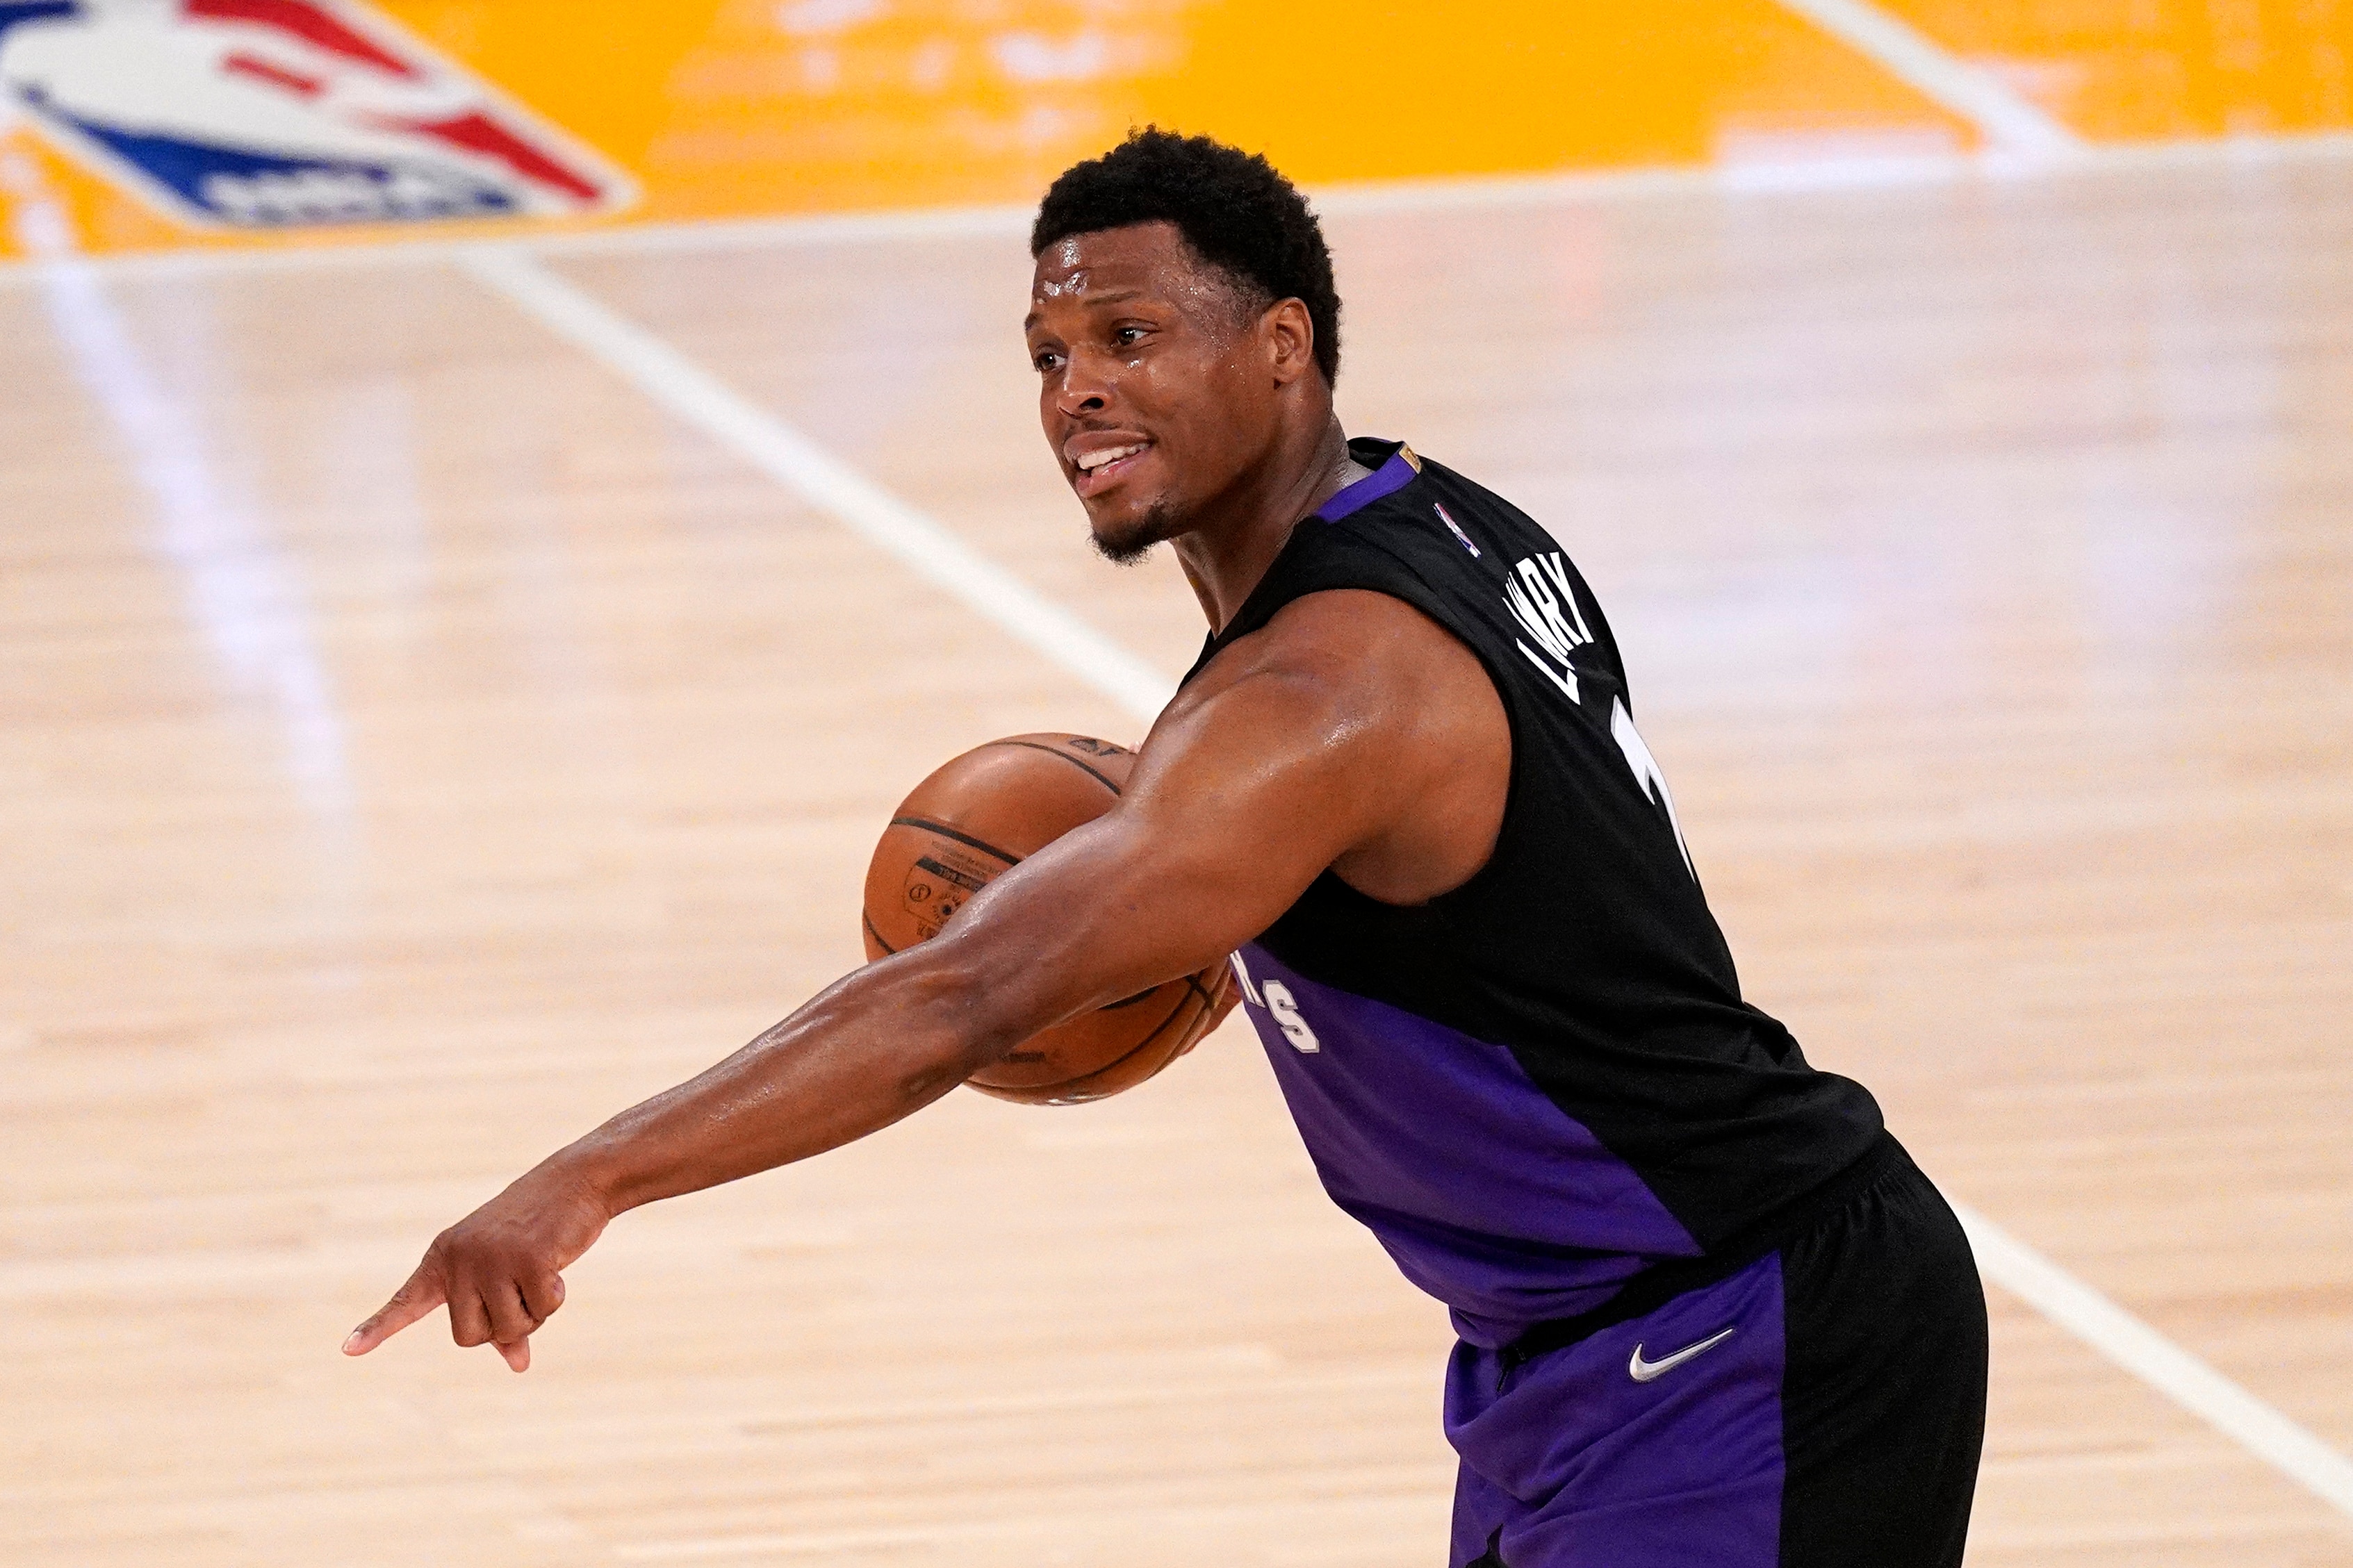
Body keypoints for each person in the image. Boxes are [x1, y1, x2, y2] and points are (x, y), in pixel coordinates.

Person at [345, 129, 1987, 1567]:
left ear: (1283, 346)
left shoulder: (1322, 693)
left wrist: (585, 1179)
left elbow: (959, 997)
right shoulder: (1435, 517)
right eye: (1049, 353)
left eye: (1131, 336)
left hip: (1737, 1334)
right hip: (1574, 1347)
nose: (1080, 391)